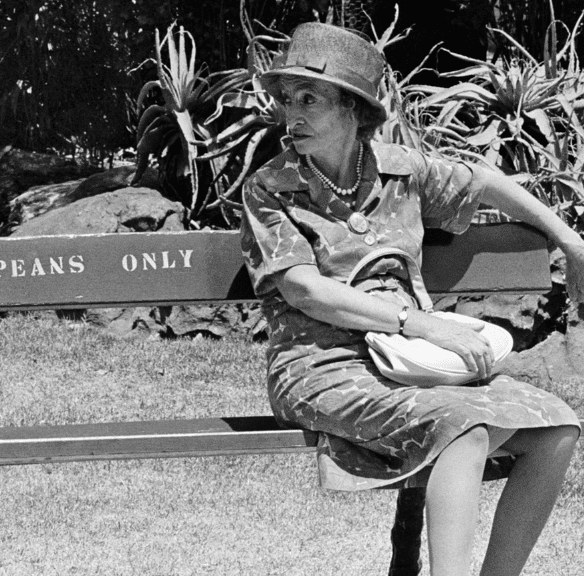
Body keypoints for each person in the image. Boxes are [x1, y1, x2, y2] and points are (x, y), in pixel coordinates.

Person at [240, 22, 583, 576]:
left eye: (309, 99)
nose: (290, 115)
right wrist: (419, 323)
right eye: (287, 99)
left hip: (411, 361)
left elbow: (484, 182)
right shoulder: (270, 187)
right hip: (321, 364)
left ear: (354, 109)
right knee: (462, 427)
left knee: (556, 428)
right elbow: (305, 289)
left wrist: (569, 239)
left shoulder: (402, 171)